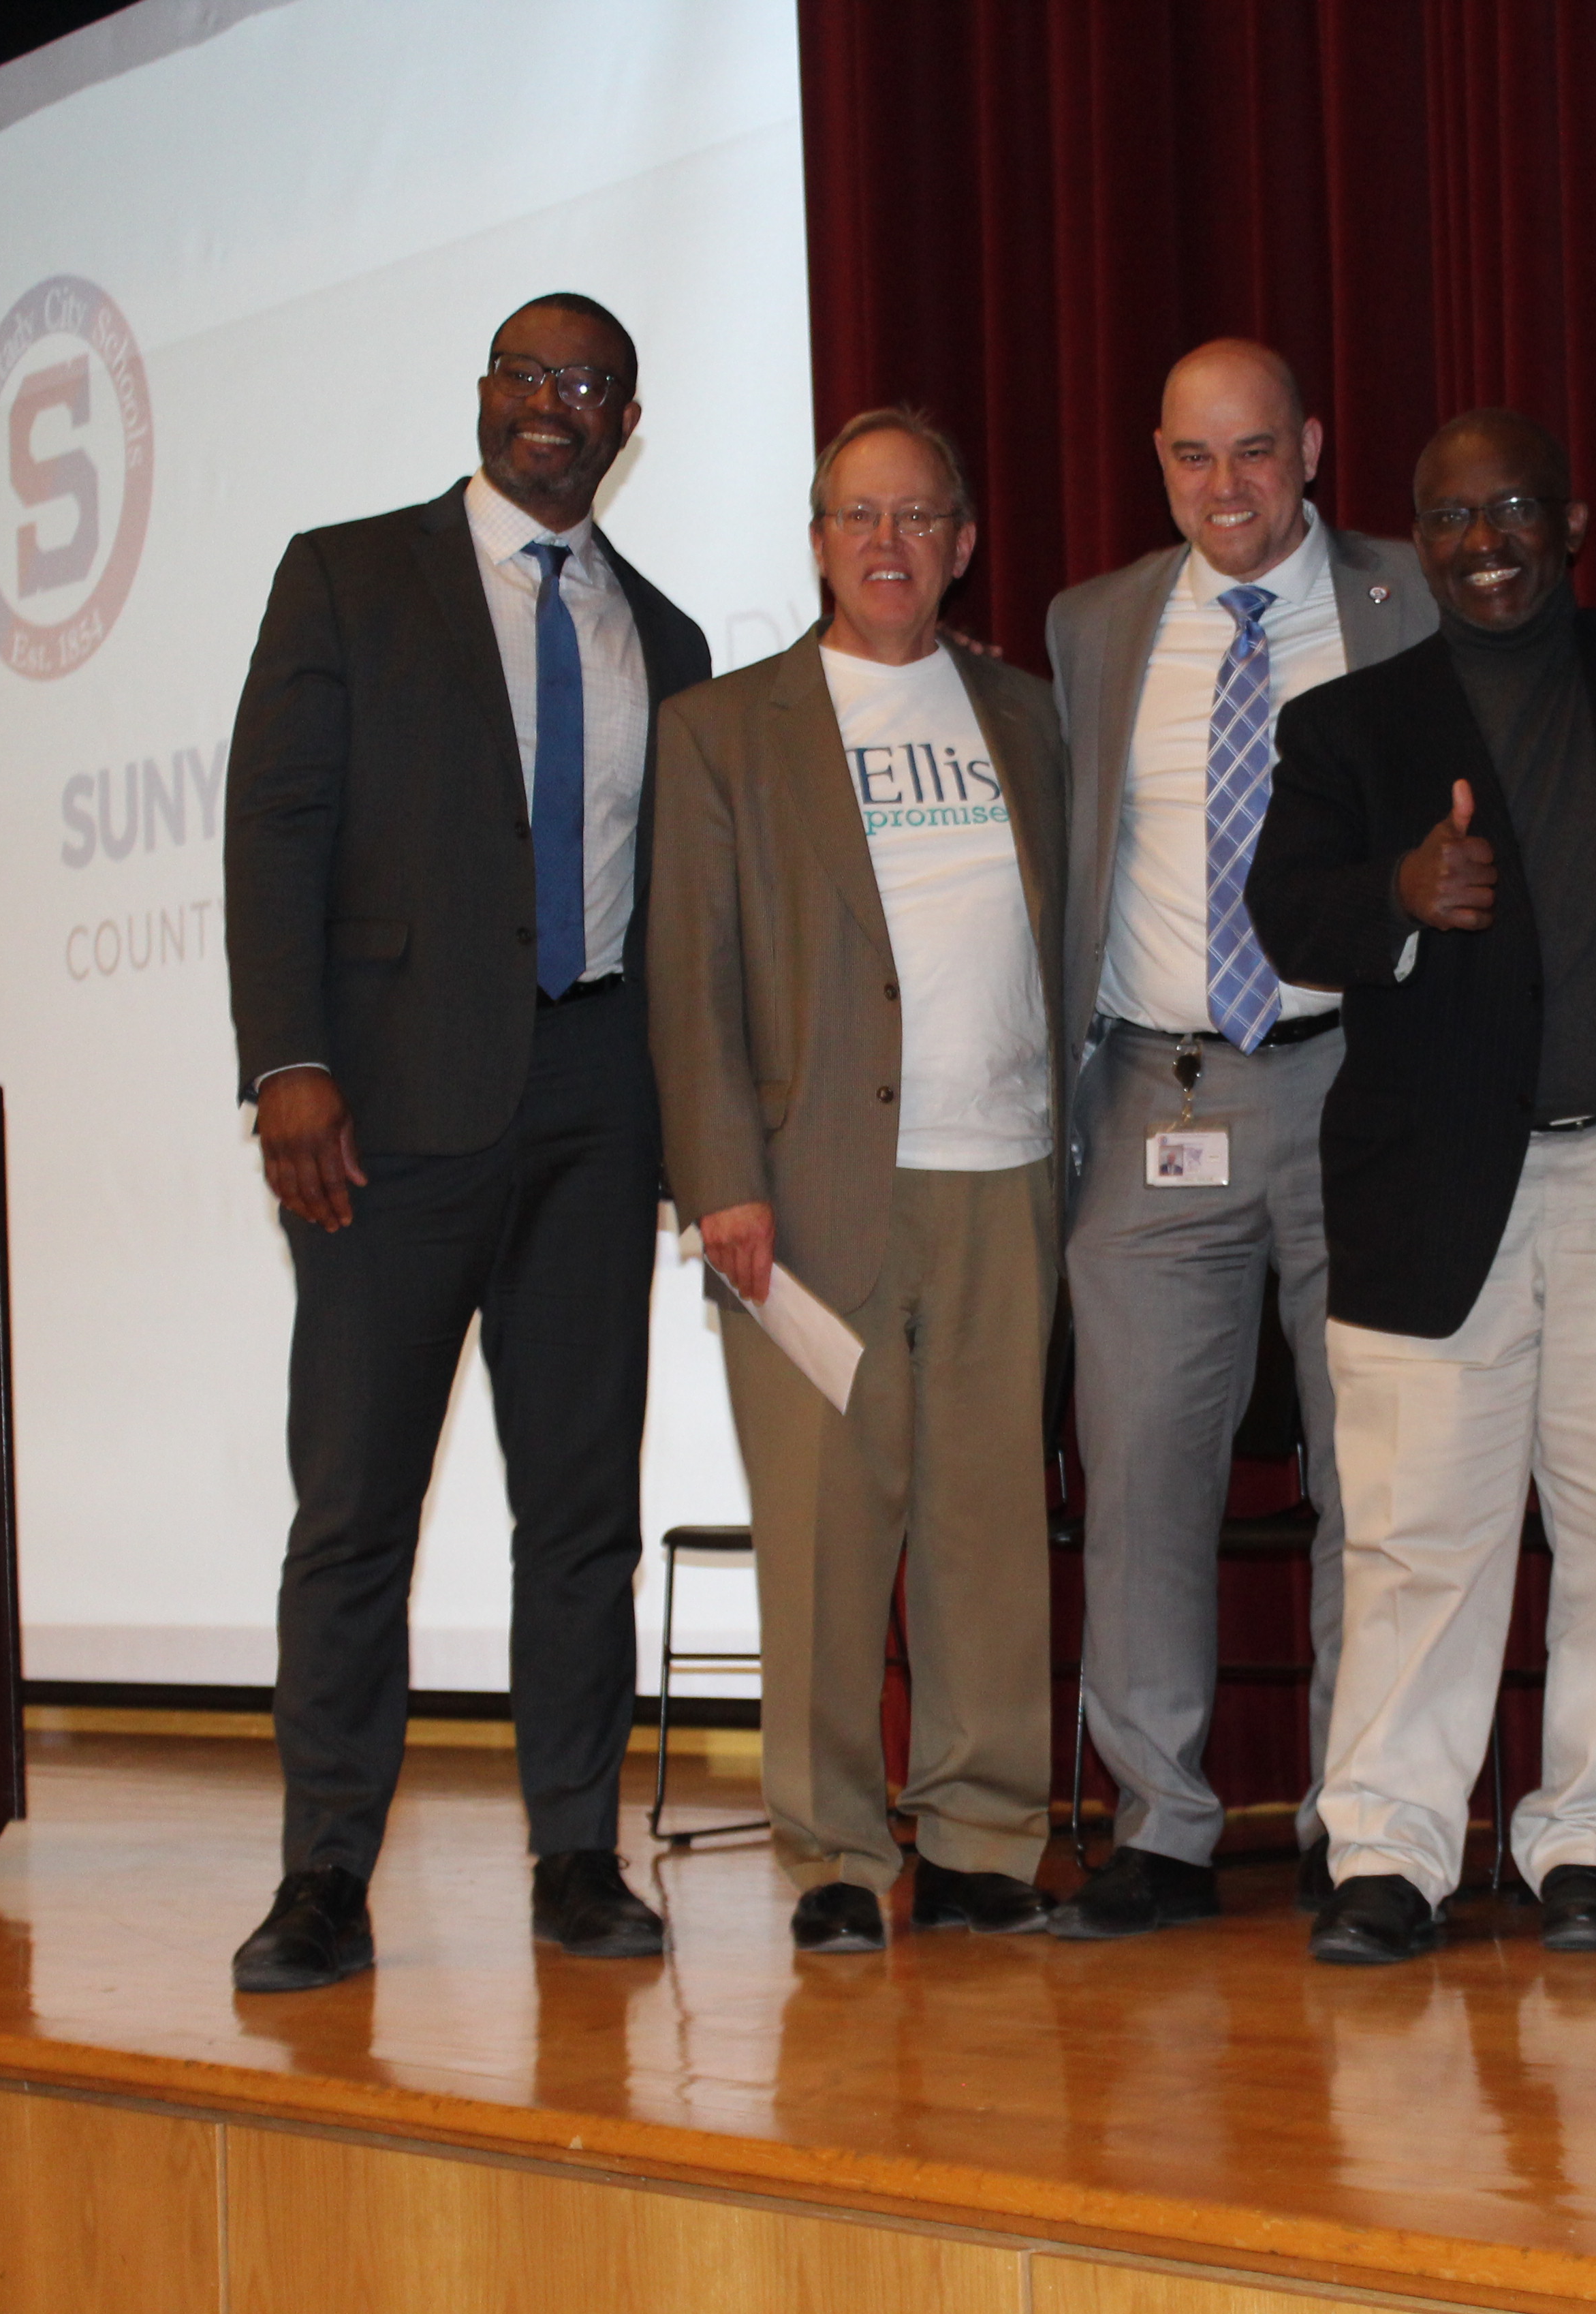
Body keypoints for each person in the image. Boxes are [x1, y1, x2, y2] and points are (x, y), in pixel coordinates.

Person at [221, 294, 712, 1993]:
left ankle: (576, 1855)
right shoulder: (349, 576)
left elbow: (689, 914)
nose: (553, 409)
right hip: (387, 1115)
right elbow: (275, 827)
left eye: (588, 387)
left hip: (597, 1108)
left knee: (581, 1513)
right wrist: (288, 1058)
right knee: (353, 1508)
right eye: (527, 376)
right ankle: (323, 1876)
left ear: (626, 420)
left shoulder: (673, 637)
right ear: (483, 393)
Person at [1246, 410, 1596, 1964]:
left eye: (1515, 506)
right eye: (1451, 517)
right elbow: (1288, 918)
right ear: (1414, 539)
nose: (1486, 540)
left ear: (1571, 522)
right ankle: (1389, 1853)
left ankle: (1593, 1844)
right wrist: (1398, 893)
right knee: (1416, 1539)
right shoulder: (1350, 727)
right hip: (1430, 1194)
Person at [651, 408, 1071, 1955]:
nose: (888, 542)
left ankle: (978, 1836)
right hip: (809, 1191)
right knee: (827, 1536)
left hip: (1009, 1173)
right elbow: (687, 982)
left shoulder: (1028, 717)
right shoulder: (725, 728)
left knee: (985, 1530)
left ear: (963, 545)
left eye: (919, 517)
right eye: (856, 516)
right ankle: (835, 1849)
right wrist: (721, 1184)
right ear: (817, 540)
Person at [1044, 341, 1434, 1941]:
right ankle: (1161, 1826)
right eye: (1195, 460)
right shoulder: (1094, 626)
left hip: (1370, 1080)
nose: (1229, 490)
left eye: (1258, 453)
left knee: (1379, 1477)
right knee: (1138, 1474)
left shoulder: (1414, 598)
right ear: (1159, 463)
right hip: (1160, 1094)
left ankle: (1368, 1825)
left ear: (1316, 447)